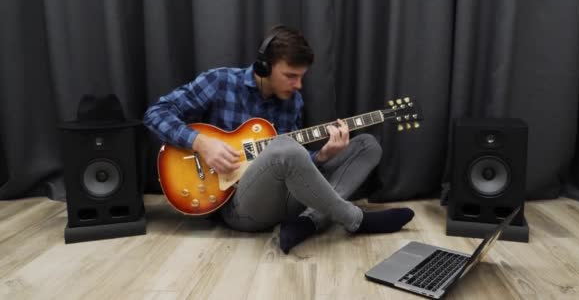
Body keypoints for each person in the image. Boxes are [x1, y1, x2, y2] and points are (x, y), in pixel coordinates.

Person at [143, 24, 414, 254]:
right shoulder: (220, 81)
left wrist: (322, 156)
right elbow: (155, 113)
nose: (298, 85)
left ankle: (307, 222)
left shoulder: (291, 101)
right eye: (290, 76)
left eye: (301, 77)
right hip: (238, 206)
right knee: (284, 146)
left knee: (368, 145)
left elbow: (292, 163)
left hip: (284, 200)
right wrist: (201, 142)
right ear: (264, 67)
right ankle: (355, 219)